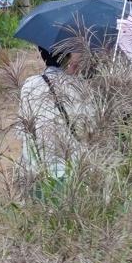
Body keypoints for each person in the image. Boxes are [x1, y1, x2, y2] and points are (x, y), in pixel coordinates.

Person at [17, 46, 97, 182]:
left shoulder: (29, 85)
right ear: (68, 55)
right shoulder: (80, 86)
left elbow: (22, 132)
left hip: (38, 169)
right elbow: (90, 129)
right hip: (73, 171)